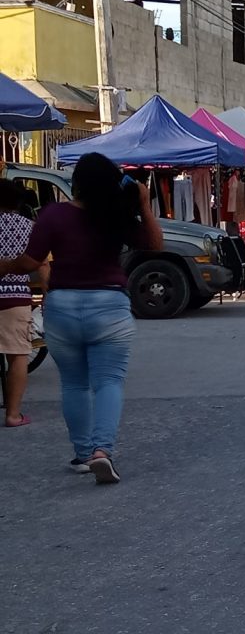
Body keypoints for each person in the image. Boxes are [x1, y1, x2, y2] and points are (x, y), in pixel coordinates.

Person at [0, 153, 162, 483]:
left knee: (74, 383)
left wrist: (3, 266)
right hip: (110, 306)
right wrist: (144, 203)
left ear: (76, 184)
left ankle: (83, 453)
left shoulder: (54, 214)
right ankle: (103, 451)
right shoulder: (115, 216)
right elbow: (155, 245)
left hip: (63, 306)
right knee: (108, 382)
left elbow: (30, 262)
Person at [0, 179, 46, 428]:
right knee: (17, 356)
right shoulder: (30, 227)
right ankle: (13, 414)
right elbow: (42, 263)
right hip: (15, 297)